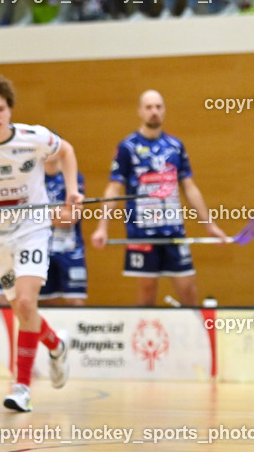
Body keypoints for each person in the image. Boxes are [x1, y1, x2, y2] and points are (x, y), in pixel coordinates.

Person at [0, 76, 79, 412]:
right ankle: (55, 345)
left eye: (0, 108)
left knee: (24, 302)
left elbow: (66, 150)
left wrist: (71, 193)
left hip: (33, 228)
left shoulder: (32, 137)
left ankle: (22, 387)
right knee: (23, 309)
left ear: (10, 110)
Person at [90, 90, 226, 306]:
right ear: (140, 111)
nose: (154, 112)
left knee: (188, 289)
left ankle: (196, 338)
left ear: (164, 111)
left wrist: (209, 225)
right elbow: (114, 189)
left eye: (158, 107)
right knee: (146, 292)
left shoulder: (175, 146)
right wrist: (102, 227)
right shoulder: (127, 147)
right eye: (149, 107)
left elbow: (190, 188)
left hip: (173, 230)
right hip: (142, 233)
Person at [39, 153, 88, 305]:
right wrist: (58, 211)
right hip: (41, 249)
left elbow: (70, 218)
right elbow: (25, 216)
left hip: (71, 249)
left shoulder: (72, 179)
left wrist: (40, 214)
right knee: (47, 301)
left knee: (75, 300)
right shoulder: (33, 180)